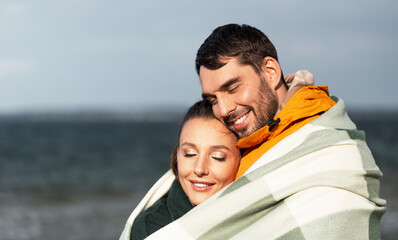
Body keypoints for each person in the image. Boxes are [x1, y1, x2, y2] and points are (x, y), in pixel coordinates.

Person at [136, 24, 386, 239]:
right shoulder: (251, 135)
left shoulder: (324, 144)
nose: (223, 109)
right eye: (212, 99)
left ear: (270, 72)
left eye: (233, 88)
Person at [120, 100, 241, 240]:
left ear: (242, 158)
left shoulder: (258, 217)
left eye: (217, 157)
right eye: (189, 154)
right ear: (177, 156)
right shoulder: (153, 227)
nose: (199, 169)